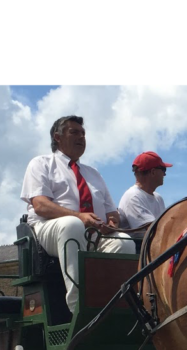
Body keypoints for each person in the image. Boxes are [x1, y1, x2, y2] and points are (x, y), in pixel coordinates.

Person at [20, 115, 135, 313]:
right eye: (74, 132)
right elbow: (40, 205)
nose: (81, 137)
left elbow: (112, 212)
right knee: (71, 225)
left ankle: (116, 305)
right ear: (57, 137)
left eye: (83, 133)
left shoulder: (93, 173)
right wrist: (80, 217)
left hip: (95, 233)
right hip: (49, 230)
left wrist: (112, 224)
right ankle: (80, 307)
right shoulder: (41, 164)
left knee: (125, 242)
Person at [117, 151, 170, 239]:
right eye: (163, 169)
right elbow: (153, 232)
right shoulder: (133, 196)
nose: (165, 174)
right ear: (153, 172)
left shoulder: (158, 198)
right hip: (138, 249)